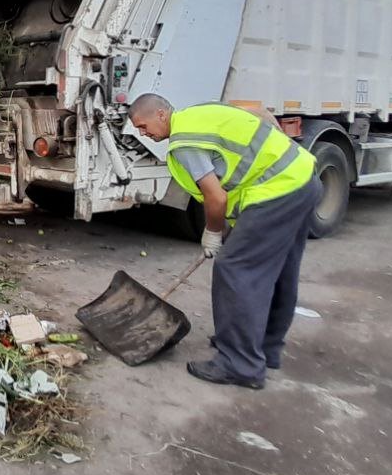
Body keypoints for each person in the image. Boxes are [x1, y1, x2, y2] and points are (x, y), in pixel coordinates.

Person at [127, 94, 322, 390]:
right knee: (279, 271)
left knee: (235, 268)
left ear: (161, 114)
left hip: (275, 192)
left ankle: (240, 363)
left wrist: (213, 233)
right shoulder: (198, 114)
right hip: (302, 179)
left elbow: (216, 197)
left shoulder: (184, 142)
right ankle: (265, 350)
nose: (144, 134)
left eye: (143, 125)